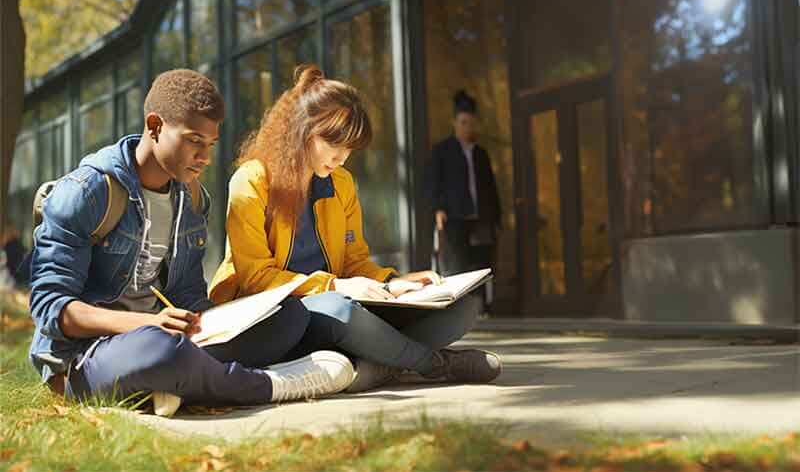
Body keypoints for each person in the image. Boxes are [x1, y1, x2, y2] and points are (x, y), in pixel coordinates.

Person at [28, 69, 353, 416]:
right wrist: (146, 324)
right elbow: (51, 307)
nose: (206, 157)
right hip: (87, 357)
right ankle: (269, 385)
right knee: (162, 350)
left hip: (166, 339)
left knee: (288, 316)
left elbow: (186, 293)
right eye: (194, 140)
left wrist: (220, 320)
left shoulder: (192, 198)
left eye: (210, 144)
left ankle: (175, 385)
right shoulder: (86, 192)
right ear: (154, 126)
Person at [210, 65, 501, 393]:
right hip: (274, 314)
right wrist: (338, 286)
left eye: (349, 149)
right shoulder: (251, 181)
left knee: (460, 310)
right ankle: (435, 365)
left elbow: (354, 261)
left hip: (340, 307)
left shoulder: (341, 185)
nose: (342, 158)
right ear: (302, 132)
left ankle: (373, 366)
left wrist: (393, 284)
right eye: (335, 145)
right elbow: (255, 278)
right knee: (340, 309)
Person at [428, 90, 501, 311]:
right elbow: (432, 183)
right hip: (454, 217)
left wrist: (497, 218)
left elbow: (491, 188)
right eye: (463, 122)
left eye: (470, 123)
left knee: (481, 263)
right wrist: (437, 208)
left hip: (480, 218)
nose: (467, 127)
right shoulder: (442, 151)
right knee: (456, 264)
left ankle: (481, 308)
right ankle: (456, 308)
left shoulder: (481, 154)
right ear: (455, 122)